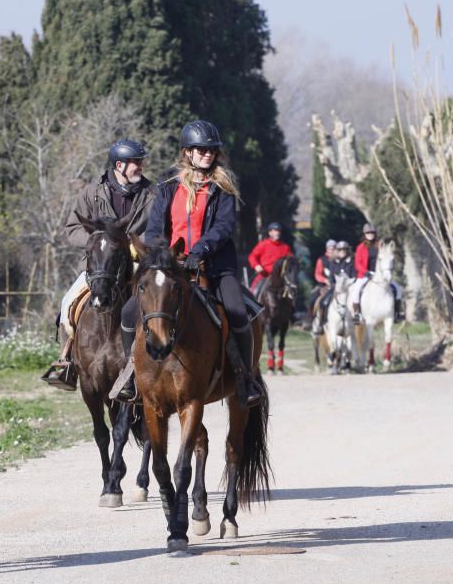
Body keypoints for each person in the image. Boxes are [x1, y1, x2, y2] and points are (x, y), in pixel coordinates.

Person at [117, 119, 259, 406]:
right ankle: (130, 375)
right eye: (201, 149)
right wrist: (162, 253)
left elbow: (223, 226)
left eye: (211, 150)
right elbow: (156, 226)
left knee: (237, 311)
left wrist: (201, 249)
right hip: (171, 265)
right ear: (187, 153)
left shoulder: (224, 186)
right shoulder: (169, 184)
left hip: (215, 264)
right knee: (129, 312)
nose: (208, 154)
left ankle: (247, 378)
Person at [42, 139, 155, 390]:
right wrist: (97, 243)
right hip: (101, 265)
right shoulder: (92, 192)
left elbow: (160, 229)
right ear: (119, 165)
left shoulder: (152, 194)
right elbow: (72, 229)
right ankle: (67, 360)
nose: (140, 166)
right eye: (135, 162)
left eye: (140, 161)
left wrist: (136, 246)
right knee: (68, 302)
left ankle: (156, 358)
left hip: (137, 263)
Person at [352, 222, 404, 323]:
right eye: (368, 233)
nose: (370, 234)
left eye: (372, 232)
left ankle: (397, 313)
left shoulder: (380, 245)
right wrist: (366, 272)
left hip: (380, 275)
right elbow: (357, 264)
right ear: (364, 234)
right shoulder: (360, 247)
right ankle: (357, 314)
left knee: (398, 289)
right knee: (356, 292)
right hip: (365, 275)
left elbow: (387, 259)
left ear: (375, 233)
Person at [247, 221, 293, 300]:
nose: (277, 233)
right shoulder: (263, 244)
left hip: (280, 279)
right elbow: (252, 256)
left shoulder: (285, 247)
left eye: (278, 231)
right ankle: (252, 310)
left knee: (291, 295)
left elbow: (291, 260)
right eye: (275, 231)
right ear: (270, 233)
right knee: (254, 292)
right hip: (264, 275)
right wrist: (257, 265)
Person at [307, 239, 336, 335]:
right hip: (323, 285)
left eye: (334, 248)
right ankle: (310, 321)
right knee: (312, 299)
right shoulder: (321, 260)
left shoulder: (339, 260)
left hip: (337, 286)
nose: (332, 250)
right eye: (330, 248)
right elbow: (317, 274)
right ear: (327, 249)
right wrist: (325, 280)